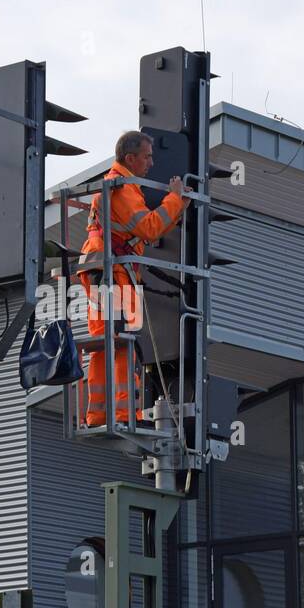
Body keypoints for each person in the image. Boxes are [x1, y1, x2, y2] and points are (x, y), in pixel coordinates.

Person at [77, 131, 190, 427]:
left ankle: (99, 413)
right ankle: (126, 414)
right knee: (123, 342)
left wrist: (176, 207)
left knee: (107, 342)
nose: (151, 163)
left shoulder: (113, 184)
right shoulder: (124, 188)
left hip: (101, 269)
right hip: (114, 273)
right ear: (131, 158)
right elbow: (150, 228)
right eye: (147, 156)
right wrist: (175, 199)